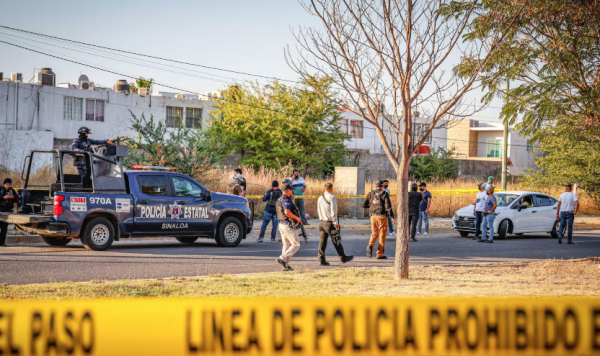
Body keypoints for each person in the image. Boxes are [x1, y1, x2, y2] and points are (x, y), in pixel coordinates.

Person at [317, 183, 354, 266]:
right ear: (332, 189)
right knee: (336, 240)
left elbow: (318, 210)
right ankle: (343, 258)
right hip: (329, 223)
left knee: (322, 242)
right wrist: (335, 223)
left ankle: (321, 259)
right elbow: (334, 211)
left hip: (322, 222)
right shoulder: (332, 197)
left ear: (324, 189)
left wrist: (321, 219)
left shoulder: (320, 198)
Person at [362, 180, 394, 259]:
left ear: (375, 186)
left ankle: (370, 245)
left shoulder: (370, 193)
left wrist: (369, 207)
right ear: (382, 186)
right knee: (382, 235)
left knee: (374, 233)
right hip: (382, 216)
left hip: (373, 216)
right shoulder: (384, 194)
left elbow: (363, 204)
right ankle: (379, 254)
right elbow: (388, 206)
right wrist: (392, 217)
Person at [275, 183, 302, 271]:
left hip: (281, 224)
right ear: (288, 191)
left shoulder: (279, 199)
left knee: (286, 244)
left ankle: (285, 266)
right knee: (296, 244)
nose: (292, 192)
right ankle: (283, 258)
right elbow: (287, 212)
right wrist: (297, 218)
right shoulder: (286, 200)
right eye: (291, 190)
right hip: (287, 224)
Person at [0, 178, 19, 247]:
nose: (8, 185)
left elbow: (16, 201)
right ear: (4, 184)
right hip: (0, 210)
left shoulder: (12, 190)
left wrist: (13, 197)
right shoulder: (0, 189)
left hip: (7, 211)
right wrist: (4, 197)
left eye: (9, 184)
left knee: (4, 227)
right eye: (7, 184)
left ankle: (2, 242)